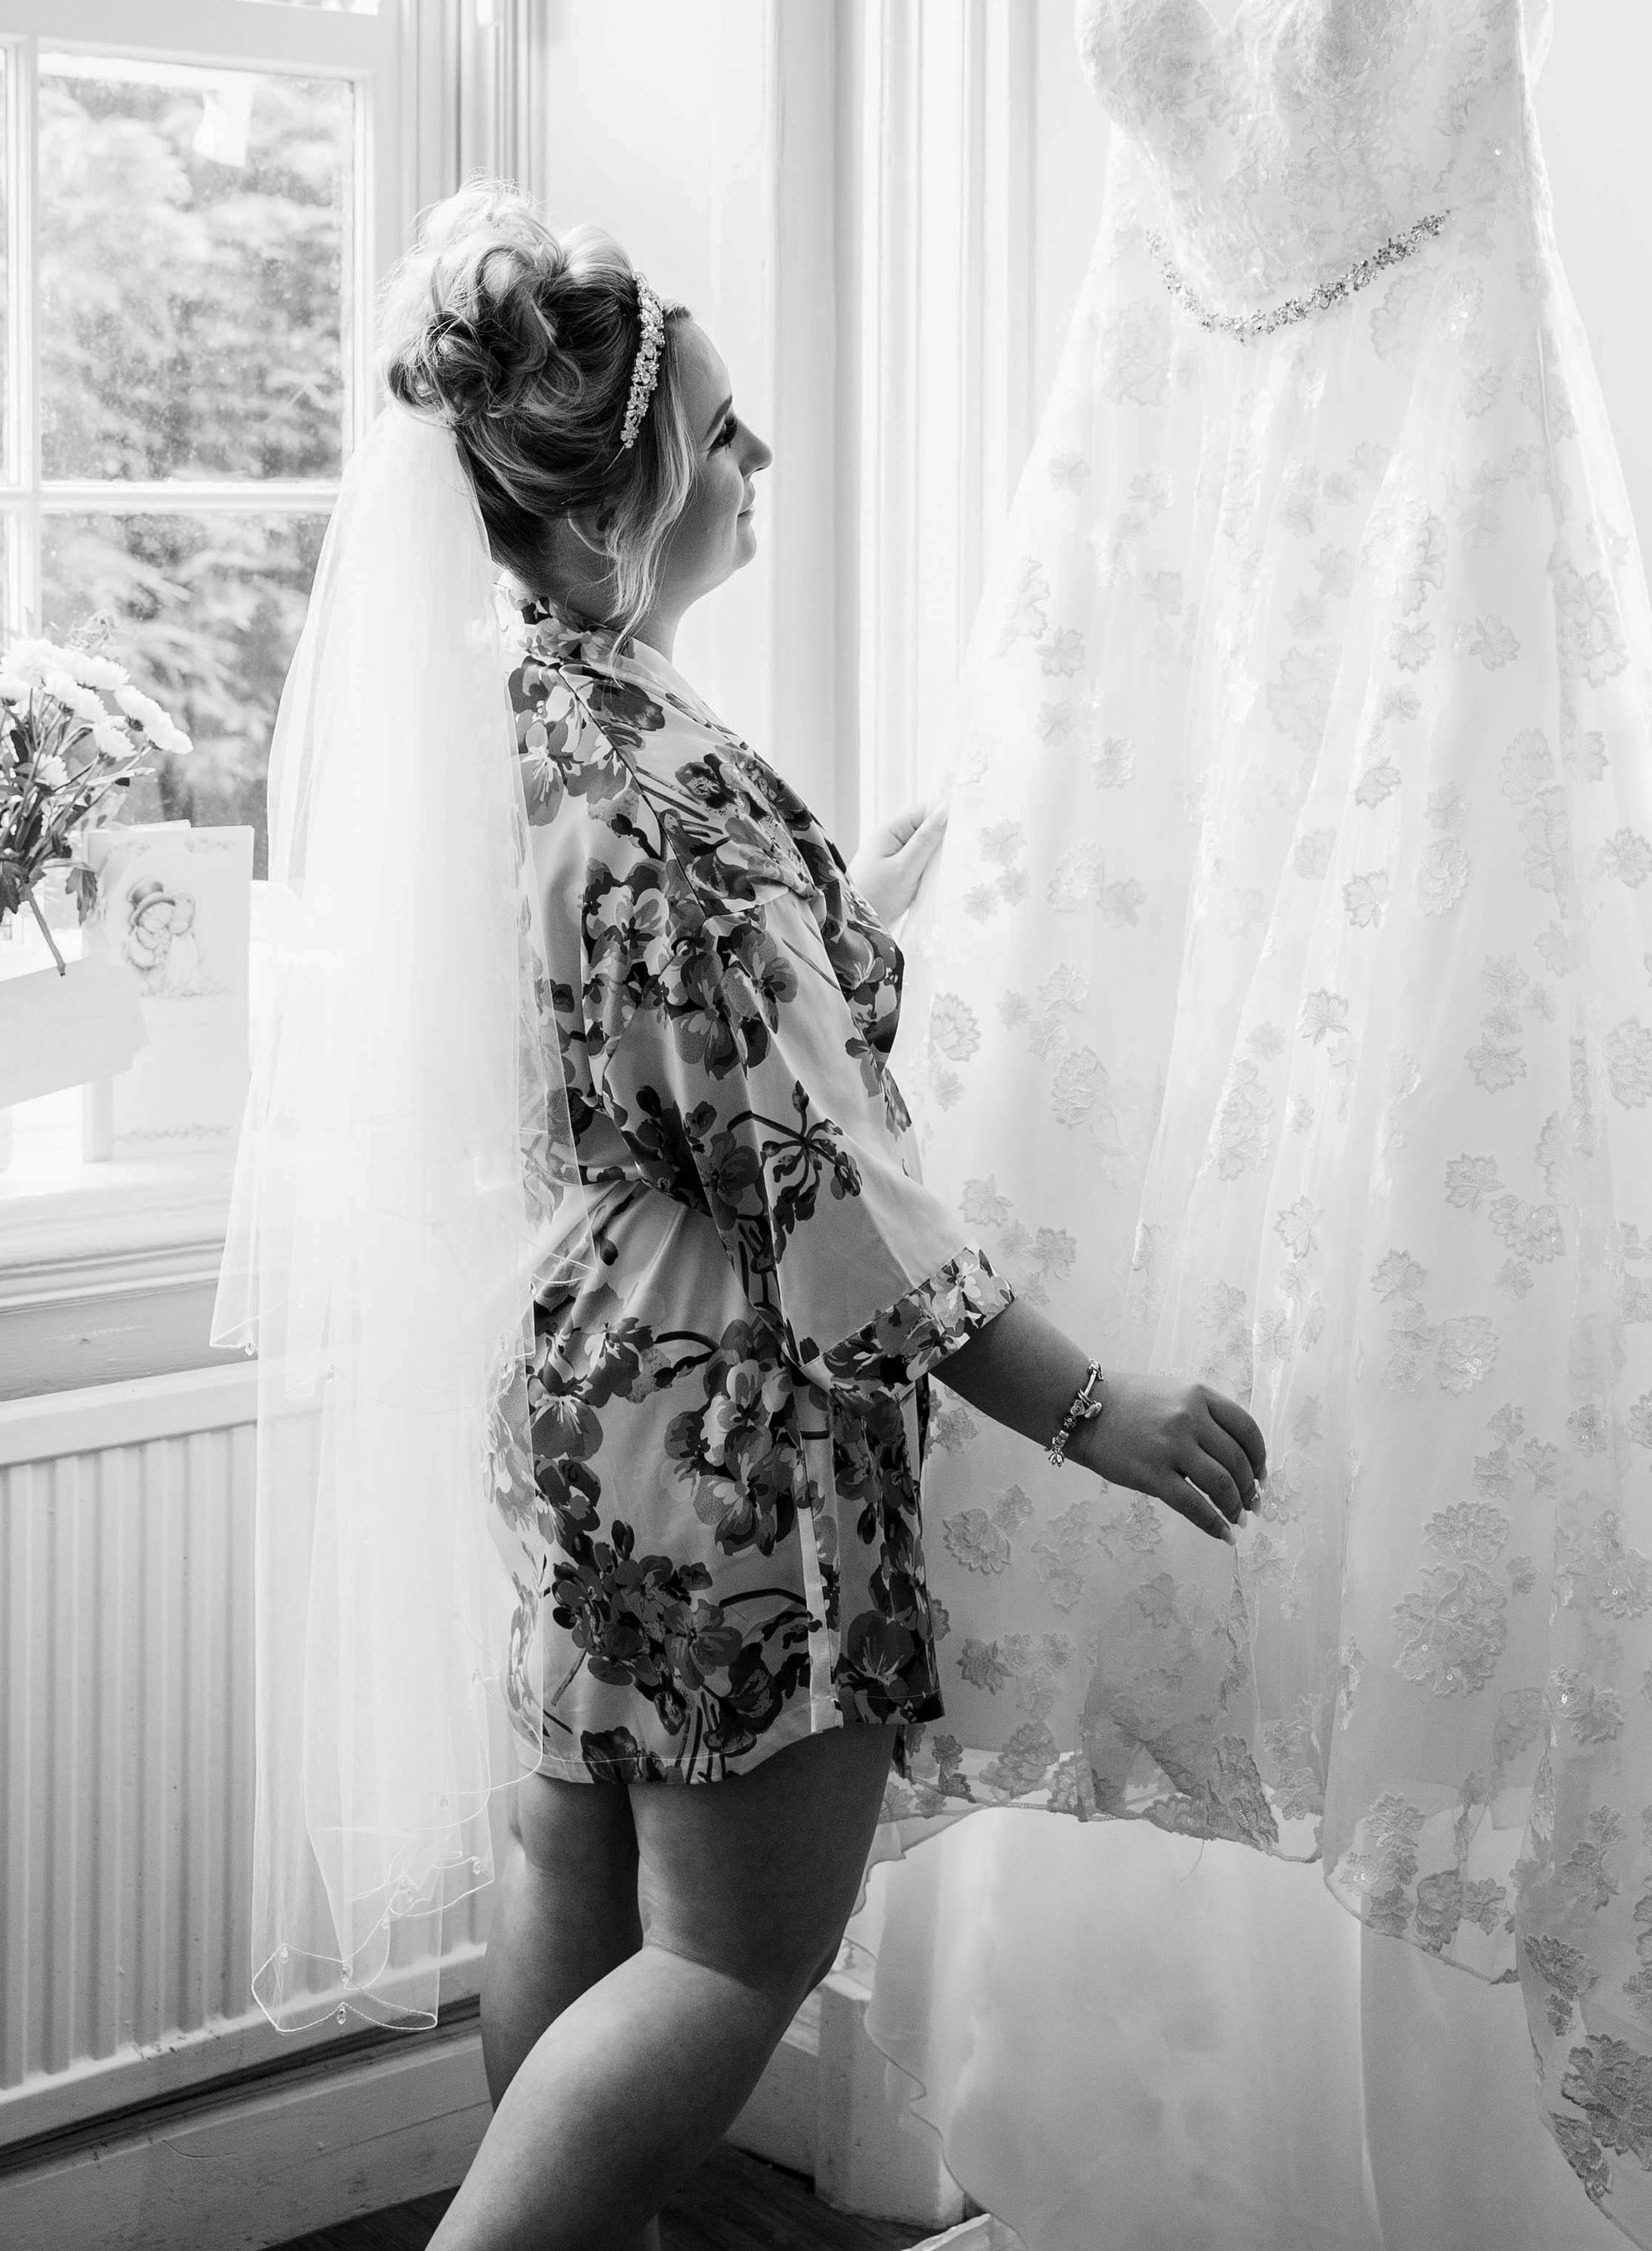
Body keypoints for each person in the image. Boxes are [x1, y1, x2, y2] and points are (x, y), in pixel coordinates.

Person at [342, 192, 1267, 2251]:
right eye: (730, 434)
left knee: (575, 1875)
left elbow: (664, 1029)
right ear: (608, 519)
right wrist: (1089, 1405)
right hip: (724, 1411)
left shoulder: (530, 724)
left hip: (583, 1372)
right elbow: (817, 1184)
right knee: (724, 1960)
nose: (759, 465)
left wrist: (847, 903)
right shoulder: (667, 802)